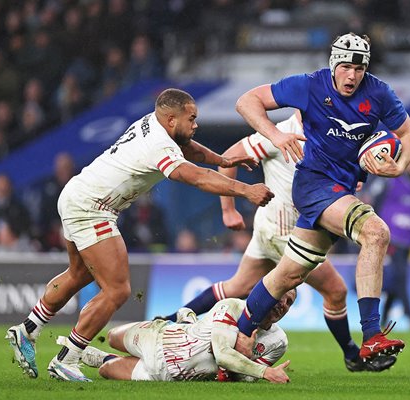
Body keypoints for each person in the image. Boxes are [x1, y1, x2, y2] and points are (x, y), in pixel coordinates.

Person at [6, 88, 274, 382]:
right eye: (192, 118)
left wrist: (223, 160)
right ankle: (67, 357)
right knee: (117, 290)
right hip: (93, 207)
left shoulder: (154, 123)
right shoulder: (159, 145)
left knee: (79, 274)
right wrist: (246, 190)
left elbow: (188, 149)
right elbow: (195, 176)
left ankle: (28, 329)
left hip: (77, 194)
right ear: (172, 119)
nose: (196, 124)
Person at [160, 111, 396, 372]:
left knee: (237, 286)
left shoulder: (330, 135)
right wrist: (228, 210)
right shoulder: (278, 134)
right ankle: (352, 355)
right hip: (284, 231)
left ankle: (171, 321)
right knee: (336, 291)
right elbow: (229, 158)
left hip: (269, 226)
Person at [232, 33, 410, 364]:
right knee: (376, 233)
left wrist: (398, 166)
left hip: (342, 191)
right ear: (334, 64)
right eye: (345, 66)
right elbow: (246, 101)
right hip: (313, 184)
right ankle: (371, 336)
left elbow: (407, 133)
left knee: (286, 276)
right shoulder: (309, 85)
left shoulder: (379, 92)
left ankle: (238, 338)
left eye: (359, 68)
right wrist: (275, 134)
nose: (352, 75)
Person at [79, 290, 296, 383]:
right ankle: (186, 323)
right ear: (269, 294)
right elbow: (222, 356)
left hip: (169, 375)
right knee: (111, 337)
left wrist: (248, 359)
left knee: (105, 370)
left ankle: (103, 358)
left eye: (290, 303)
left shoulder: (278, 342)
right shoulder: (232, 306)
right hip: (158, 338)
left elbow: (245, 378)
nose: (283, 305)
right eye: (281, 297)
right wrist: (265, 371)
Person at [368, 146, 410, 330]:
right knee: (401, 276)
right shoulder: (389, 180)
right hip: (391, 236)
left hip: (408, 238)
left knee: (397, 279)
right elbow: (373, 200)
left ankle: (384, 318)